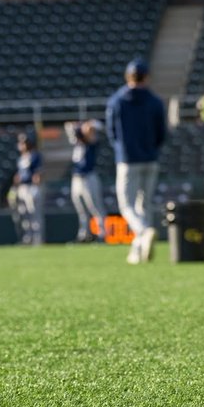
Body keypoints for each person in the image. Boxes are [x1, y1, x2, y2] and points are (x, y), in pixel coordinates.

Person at [106, 58, 166, 264]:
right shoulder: (155, 101)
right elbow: (162, 133)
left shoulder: (117, 101)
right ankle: (138, 251)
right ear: (147, 77)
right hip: (150, 158)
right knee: (145, 204)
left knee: (128, 206)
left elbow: (111, 132)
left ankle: (143, 231)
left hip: (128, 160)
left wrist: (122, 150)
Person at [66, 119, 107, 243]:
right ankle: (84, 234)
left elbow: (97, 126)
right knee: (81, 209)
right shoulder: (78, 144)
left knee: (95, 206)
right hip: (77, 178)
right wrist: (78, 127)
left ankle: (102, 234)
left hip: (89, 177)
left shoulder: (91, 142)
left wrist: (87, 126)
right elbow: (68, 126)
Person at [14, 131, 44, 246]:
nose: (23, 145)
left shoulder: (35, 155)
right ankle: (28, 237)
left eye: (25, 142)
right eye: (21, 143)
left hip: (32, 187)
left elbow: (38, 173)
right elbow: (20, 174)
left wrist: (37, 182)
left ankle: (38, 239)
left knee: (35, 214)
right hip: (22, 187)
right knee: (24, 215)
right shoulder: (21, 158)